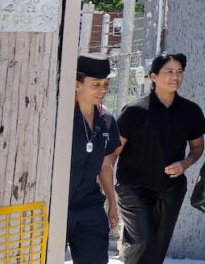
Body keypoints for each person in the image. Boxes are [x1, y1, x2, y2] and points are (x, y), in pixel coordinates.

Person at [115, 52, 205, 264]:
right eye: (169, 72)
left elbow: (197, 147)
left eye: (179, 72)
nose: (175, 76)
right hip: (133, 188)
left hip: (171, 189)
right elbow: (113, 153)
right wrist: (109, 193)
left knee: (158, 247)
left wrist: (185, 163)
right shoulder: (134, 111)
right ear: (154, 77)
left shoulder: (191, 111)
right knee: (143, 243)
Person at [68, 55, 122, 264]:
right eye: (96, 84)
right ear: (77, 85)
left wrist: (112, 204)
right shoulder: (60, 116)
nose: (103, 89)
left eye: (106, 84)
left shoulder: (107, 120)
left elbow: (105, 166)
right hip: (58, 205)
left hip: (90, 207)